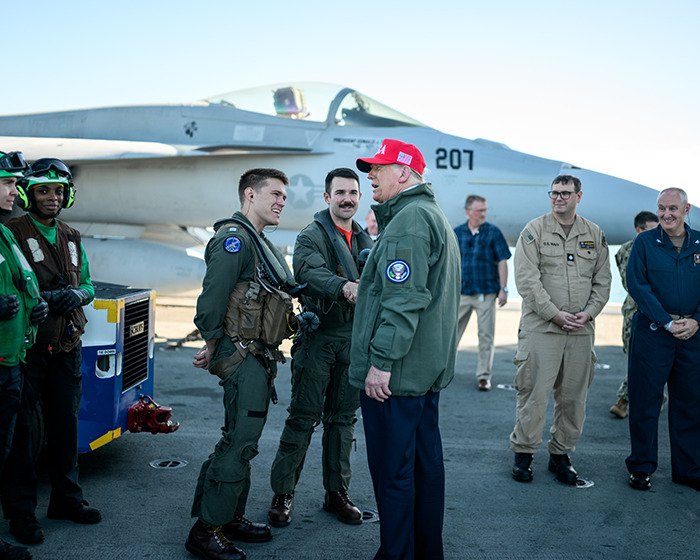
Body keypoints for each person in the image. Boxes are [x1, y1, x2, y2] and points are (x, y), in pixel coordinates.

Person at [350, 139, 460, 559]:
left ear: (404, 173)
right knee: (423, 468)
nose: (370, 176)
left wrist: (381, 363)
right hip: (420, 374)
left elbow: (403, 300)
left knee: (393, 474)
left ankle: (395, 554)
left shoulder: (410, 221)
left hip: (396, 377)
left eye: (378, 168)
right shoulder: (428, 215)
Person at [186, 168, 300, 560]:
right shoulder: (234, 240)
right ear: (249, 195)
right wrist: (212, 342)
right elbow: (212, 299)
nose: (281, 201)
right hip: (242, 355)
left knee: (239, 439)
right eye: (275, 194)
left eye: (285, 196)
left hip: (256, 354)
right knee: (239, 442)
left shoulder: (258, 241)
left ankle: (226, 515)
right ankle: (206, 530)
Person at [1, 158, 100, 548]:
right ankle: (21, 515)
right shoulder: (12, 232)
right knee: (23, 439)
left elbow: (89, 283)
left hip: (66, 348)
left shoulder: (72, 236)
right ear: (29, 194)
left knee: (65, 428)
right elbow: (15, 286)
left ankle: (66, 501)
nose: (52, 197)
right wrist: (44, 298)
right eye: (43, 190)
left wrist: (78, 294)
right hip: (28, 352)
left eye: (58, 191)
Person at [268, 167, 373, 527]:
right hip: (319, 340)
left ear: (360, 198)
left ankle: (336, 493)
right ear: (327, 197)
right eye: (340, 192)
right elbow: (308, 273)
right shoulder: (311, 236)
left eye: (353, 193)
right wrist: (345, 286)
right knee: (303, 418)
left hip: (352, 342)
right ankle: (283, 494)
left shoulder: (364, 239)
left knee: (343, 420)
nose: (347, 199)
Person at [510, 175, 611, 485]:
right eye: (554, 193)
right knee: (534, 395)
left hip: (580, 332)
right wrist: (554, 314)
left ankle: (561, 456)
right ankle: (524, 455)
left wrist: (589, 313)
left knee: (573, 399)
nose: (558, 198)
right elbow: (527, 281)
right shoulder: (534, 231)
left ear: (579, 196)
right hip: (543, 329)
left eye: (566, 193)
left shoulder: (594, 233)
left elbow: (603, 281)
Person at [625, 187, 700, 492]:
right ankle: (641, 468)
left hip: (693, 335)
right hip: (654, 334)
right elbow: (637, 286)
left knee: (690, 405)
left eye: (672, 208)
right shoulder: (644, 242)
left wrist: (696, 321)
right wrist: (668, 322)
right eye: (661, 208)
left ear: (687, 210)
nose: (666, 214)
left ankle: (688, 470)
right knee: (645, 403)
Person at [0, 151, 47, 560]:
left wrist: (37, 305)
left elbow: (22, 284)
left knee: (13, 450)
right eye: (7, 183)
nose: (15, 191)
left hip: (14, 360)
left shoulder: (4, 235)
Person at [453, 194, 511, 391]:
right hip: (461, 292)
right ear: (469, 211)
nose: (484, 214)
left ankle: (484, 376)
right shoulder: (457, 233)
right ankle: (443, 371)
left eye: (485, 210)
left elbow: (502, 261)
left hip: (486, 293)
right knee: (450, 334)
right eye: (480, 210)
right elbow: (450, 264)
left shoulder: (493, 232)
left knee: (486, 336)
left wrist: (503, 289)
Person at [609, 211, 658, 418]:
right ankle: (628, 398)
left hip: (658, 312)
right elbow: (633, 285)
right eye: (652, 229)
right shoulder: (629, 250)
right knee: (636, 357)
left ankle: (629, 398)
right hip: (637, 311)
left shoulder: (659, 246)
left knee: (651, 358)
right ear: (639, 230)